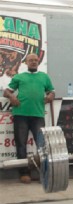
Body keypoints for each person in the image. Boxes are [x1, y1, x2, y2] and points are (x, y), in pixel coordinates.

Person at [3, 53, 55, 183]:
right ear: (26, 62)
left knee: (42, 145)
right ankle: (24, 173)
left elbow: (51, 91)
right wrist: (12, 97)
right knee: (21, 145)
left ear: (38, 62)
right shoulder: (19, 77)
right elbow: (6, 91)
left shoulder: (44, 77)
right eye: (30, 60)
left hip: (38, 115)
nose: (33, 62)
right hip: (21, 115)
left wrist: (51, 96)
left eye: (35, 60)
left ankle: (45, 172)